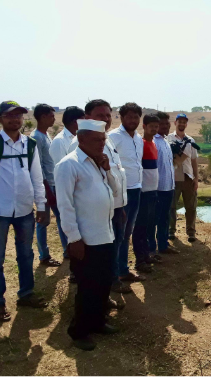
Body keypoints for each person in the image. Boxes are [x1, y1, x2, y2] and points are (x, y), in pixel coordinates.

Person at [0, 101, 48, 322]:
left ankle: (26, 294)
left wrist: (41, 206)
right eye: (9, 116)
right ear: (0, 119)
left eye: (19, 116)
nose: (15, 119)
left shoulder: (29, 144)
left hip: (24, 211)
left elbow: (36, 178)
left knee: (26, 255)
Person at [55, 119, 120, 351]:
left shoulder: (97, 162)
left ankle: (98, 322)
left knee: (103, 283)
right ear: (81, 139)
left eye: (103, 140)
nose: (102, 144)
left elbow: (114, 191)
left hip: (105, 233)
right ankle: (79, 331)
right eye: (96, 140)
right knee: (87, 286)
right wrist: (73, 238)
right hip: (85, 239)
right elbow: (65, 205)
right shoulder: (68, 165)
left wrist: (107, 170)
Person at [68, 100, 130, 296]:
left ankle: (109, 285)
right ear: (86, 118)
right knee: (95, 262)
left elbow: (112, 176)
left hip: (114, 206)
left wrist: (121, 206)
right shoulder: (78, 145)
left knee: (114, 247)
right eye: (99, 115)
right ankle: (97, 295)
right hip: (93, 216)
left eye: (108, 115)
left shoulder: (107, 140)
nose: (105, 119)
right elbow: (69, 198)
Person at [108, 103, 147, 279]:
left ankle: (123, 269)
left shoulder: (138, 138)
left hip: (136, 189)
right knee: (118, 234)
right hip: (120, 192)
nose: (133, 120)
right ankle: (114, 273)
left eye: (136, 117)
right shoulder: (113, 137)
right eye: (129, 116)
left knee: (127, 233)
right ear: (122, 118)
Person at [30, 104, 65, 266]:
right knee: (43, 220)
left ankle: (67, 249)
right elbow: (37, 166)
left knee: (61, 217)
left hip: (53, 183)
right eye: (51, 116)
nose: (54, 118)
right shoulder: (36, 137)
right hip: (46, 185)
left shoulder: (45, 135)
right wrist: (46, 189)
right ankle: (44, 255)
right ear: (43, 117)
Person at [132, 114, 160, 272]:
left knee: (148, 226)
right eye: (152, 126)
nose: (155, 129)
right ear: (144, 126)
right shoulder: (140, 144)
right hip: (143, 192)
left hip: (152, 192)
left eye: (156, 126)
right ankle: (139, 260)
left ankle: (146, 254)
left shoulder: (153, 143)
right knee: (140, 228)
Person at [168, 114, 199, 243]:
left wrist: (196, 178)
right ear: (175, 123)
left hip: (187, 176)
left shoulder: (191, 140)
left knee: (191, 206)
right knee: (171, 206)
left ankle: (191, 232)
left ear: (186, 124)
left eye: (184, 122)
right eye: (179, 122)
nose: (182, 124)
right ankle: (171, 231)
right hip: (174, 176)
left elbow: (194, 161)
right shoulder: (168, 138)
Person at [151, 111, 179, 255]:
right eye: (161, 124)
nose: (165, 126)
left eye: (167, 123)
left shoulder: (165, 142)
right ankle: (151, 249)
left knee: (165, 217)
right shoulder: (154, 142)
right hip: (158, 189)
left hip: (169, 187)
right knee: (155, 219)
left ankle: (163, 244)